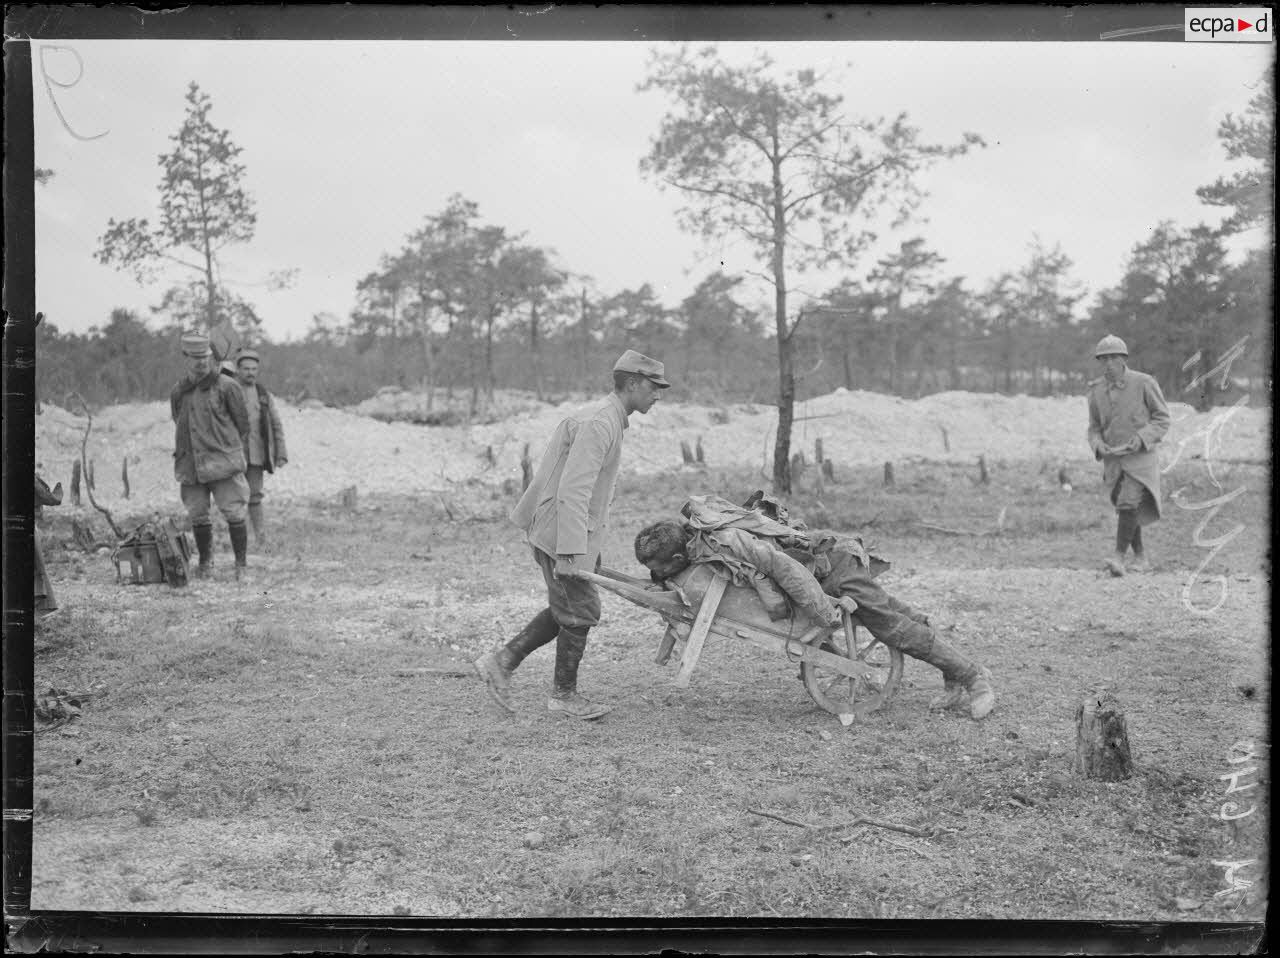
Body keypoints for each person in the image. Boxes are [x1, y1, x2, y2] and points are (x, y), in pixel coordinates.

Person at [633, 494, 997, 721]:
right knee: (899, 613)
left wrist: (823, 614)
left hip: (835, 568)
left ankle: (972, 677)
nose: (656, 575)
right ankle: (952, 674)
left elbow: (784, 567)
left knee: (892, 627)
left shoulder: (726, 540)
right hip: (821, 571)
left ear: (677, 558)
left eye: (659, 570)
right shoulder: (692, 543)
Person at [473, 349, 670, 720]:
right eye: (653, 386)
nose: (658, 395)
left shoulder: (607, 418)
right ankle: (561, 694)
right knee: (581, 609)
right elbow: (574, 492)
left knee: (569, 605)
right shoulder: (600, 423)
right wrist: (570, 552)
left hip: (566, 529)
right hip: (560, 532)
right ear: (632, 383)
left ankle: (503, 661)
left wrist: (584, 548)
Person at [1086, 335, 1171, 577]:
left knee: (1128, 501)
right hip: (1113, 460)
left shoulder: (1144, 383)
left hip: (1140, 458)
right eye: (1103, 359)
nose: (1109, 363)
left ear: (1124, 359)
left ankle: (1118, 558)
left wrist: (1142, 438)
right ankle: (1141, 558)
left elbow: (1162, 419)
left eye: (1114, 357)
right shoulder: (1095, 390)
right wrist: (1098, 444)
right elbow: (1094, 427)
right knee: (1125, 506)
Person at [170, 330, 252, 579]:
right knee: (197, 514)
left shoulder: (227, 386)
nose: (201, 362)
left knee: (234, 512)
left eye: (205, 356)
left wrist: (225, 447)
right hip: (191, 465)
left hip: (224, 463)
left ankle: (241, 567)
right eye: (195, 358)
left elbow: (243, 425)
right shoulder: (179, 390)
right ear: (186, 358)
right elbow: (178, 420)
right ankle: (205, 565)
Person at [231, 348, 288, 548]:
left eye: (254, 369)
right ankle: (236, 542)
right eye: (246, 369)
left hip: (255, 455)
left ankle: (260, 539)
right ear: (238, 370)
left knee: (255, 496)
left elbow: (276, 424)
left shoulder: (264, 395)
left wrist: (281, 452)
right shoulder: (229, 391)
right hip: (232, 455)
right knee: (233, 499)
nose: (250, 373)